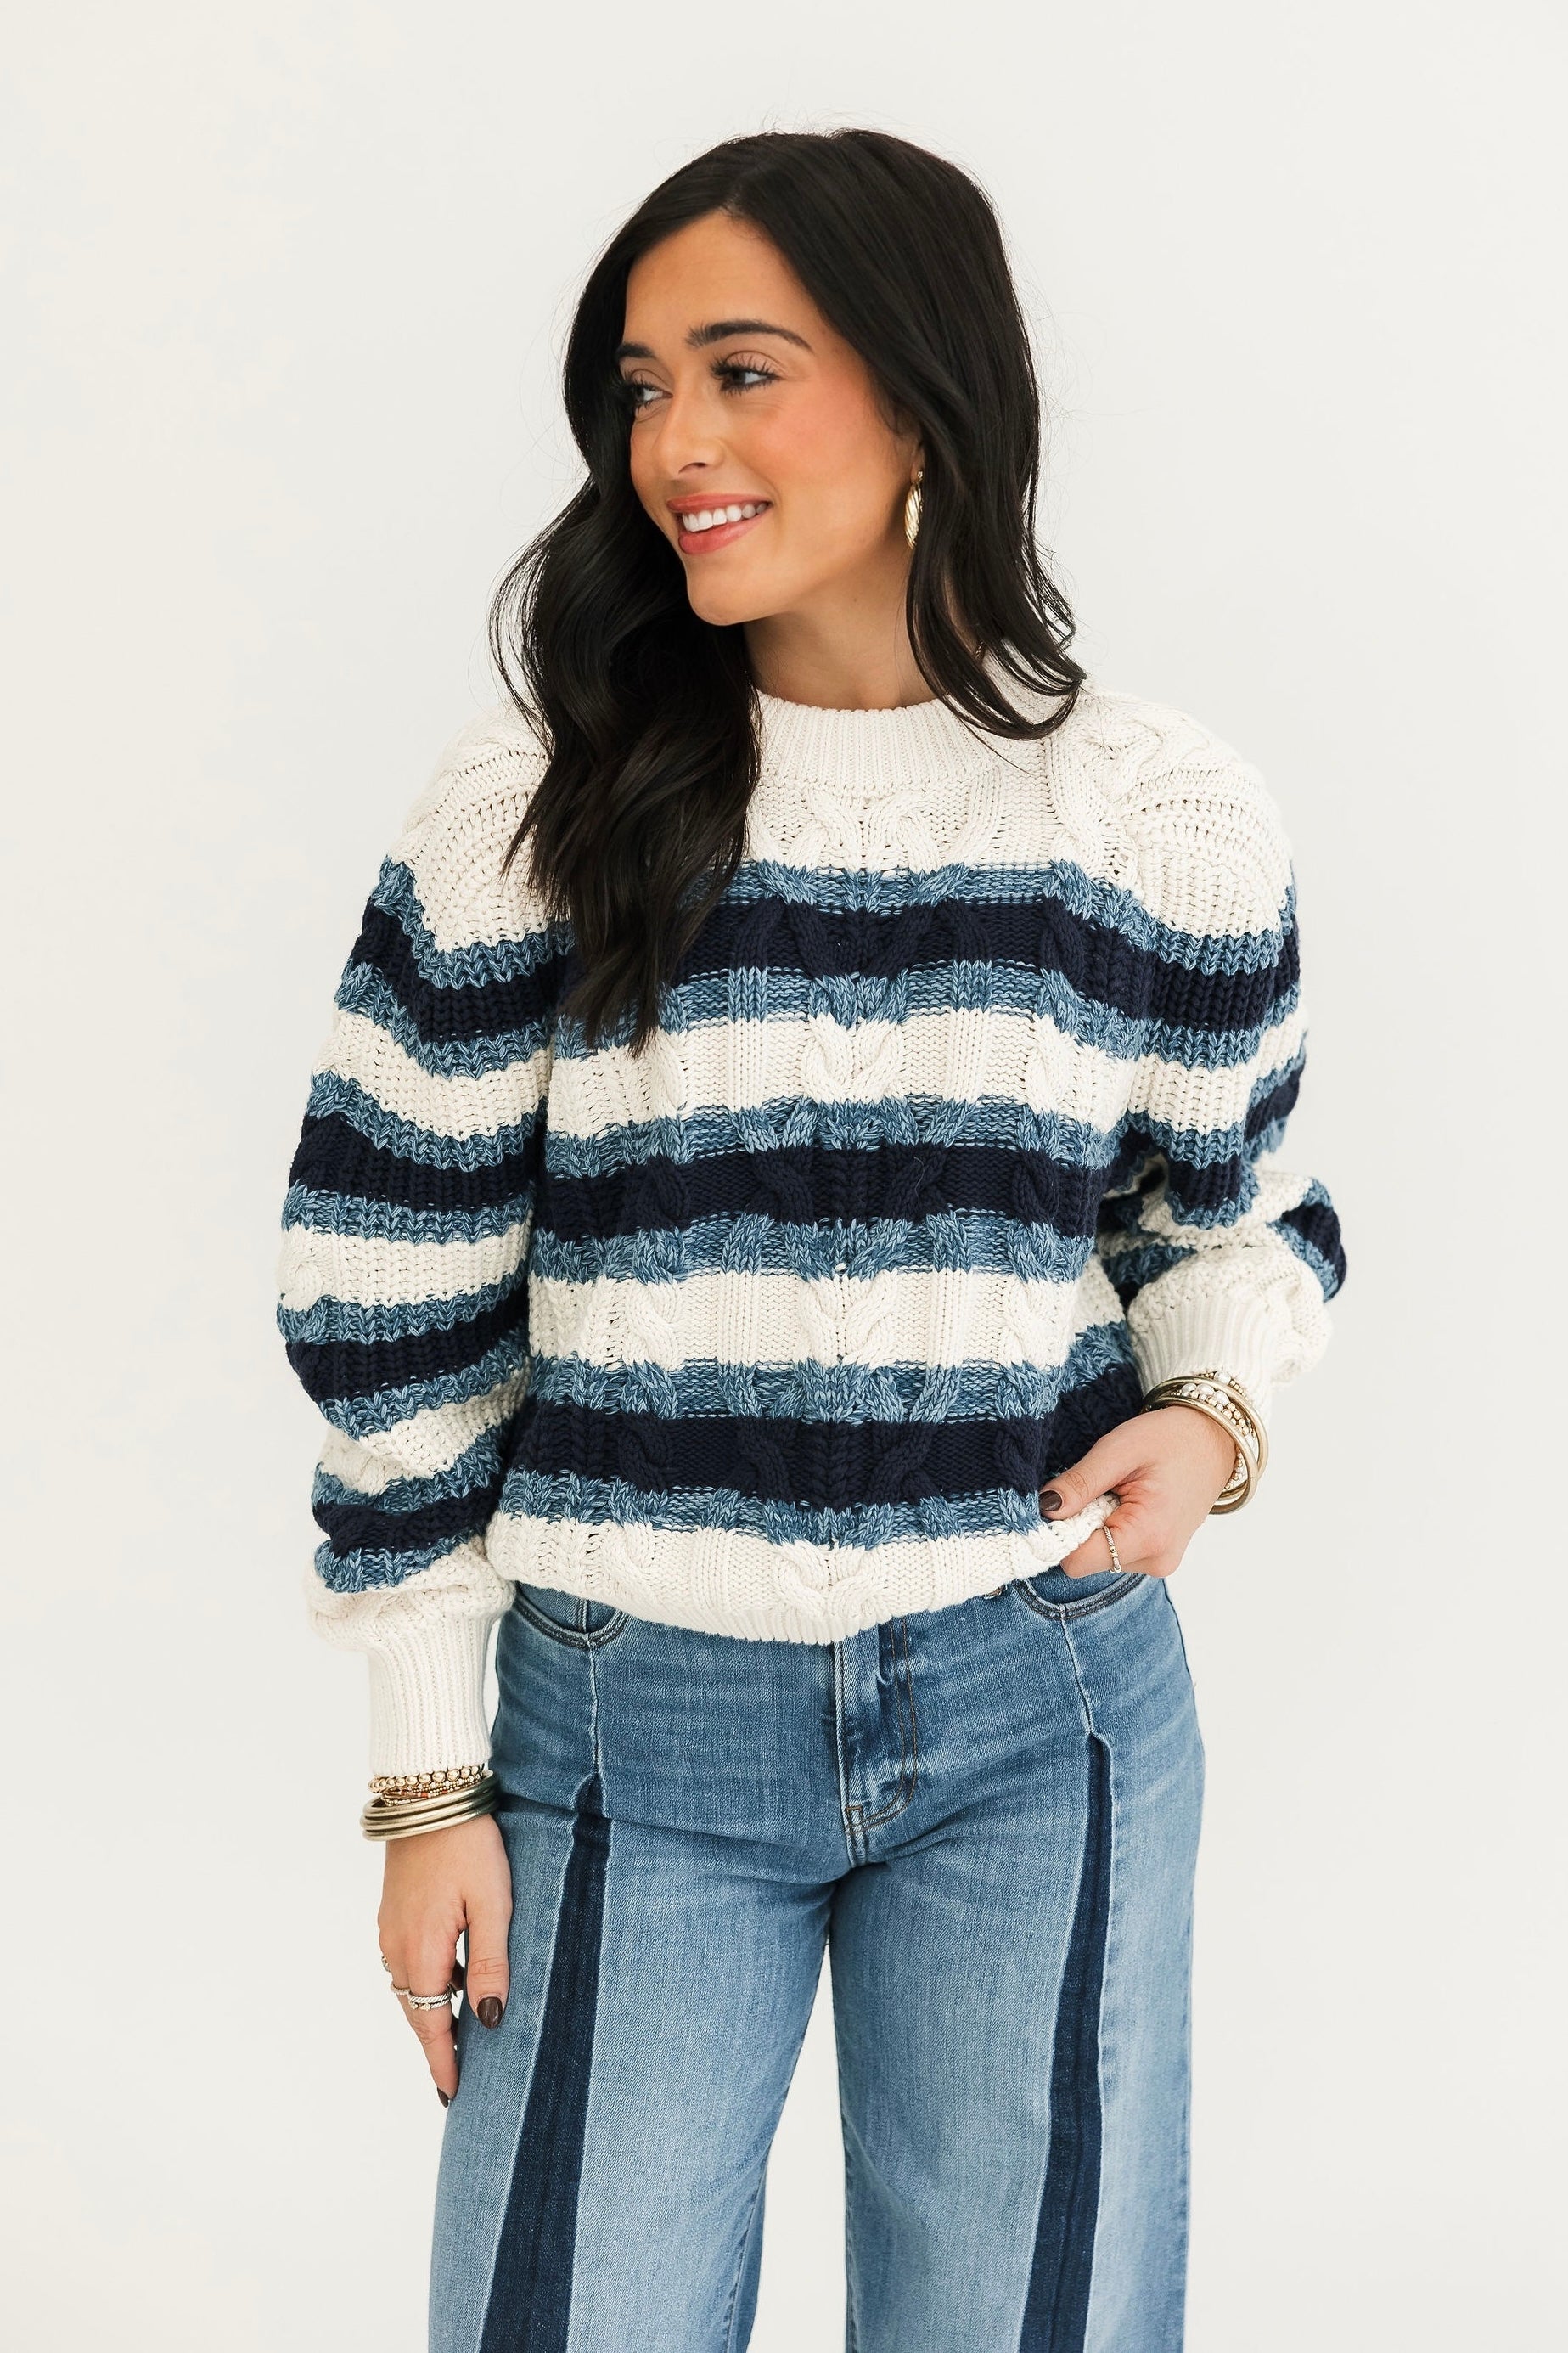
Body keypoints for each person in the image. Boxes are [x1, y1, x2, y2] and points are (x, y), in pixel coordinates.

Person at [275, 127, 1346, 2353]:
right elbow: (392, 1298)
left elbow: (1228, 1216)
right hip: (623, 1726)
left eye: (743, 372)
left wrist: (1213, 1418)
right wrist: (426, 1780)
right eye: (644, 386)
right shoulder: (536, 806)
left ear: (928, 398)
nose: (677, 442)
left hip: (1042, 1692)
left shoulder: (1157, 819)